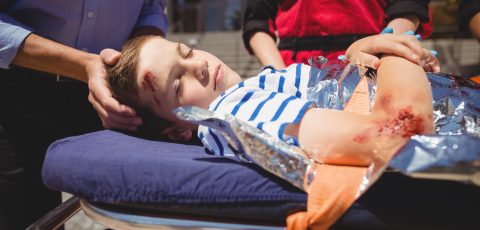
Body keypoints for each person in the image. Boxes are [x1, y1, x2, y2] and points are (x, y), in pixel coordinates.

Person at [107, 34, 433, 167]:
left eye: (187, 52)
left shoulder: (253, 89)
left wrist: (356, 53)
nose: (200, 65)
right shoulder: (235, 113)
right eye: (178, 84)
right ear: (179, 131)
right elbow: (398, 131)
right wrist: (396, 57)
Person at [0, 1, 167, 229]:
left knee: (135, 212)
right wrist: (84, 65)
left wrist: (133, 61)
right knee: (25, 214)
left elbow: (151, 9)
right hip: (20, 88)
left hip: (116, 86)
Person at [242, 0, 433, 70]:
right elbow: (257, 21)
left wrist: (387, 47)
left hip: (369, 61)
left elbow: (408, 7)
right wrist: (280, 76)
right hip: (295, 68)